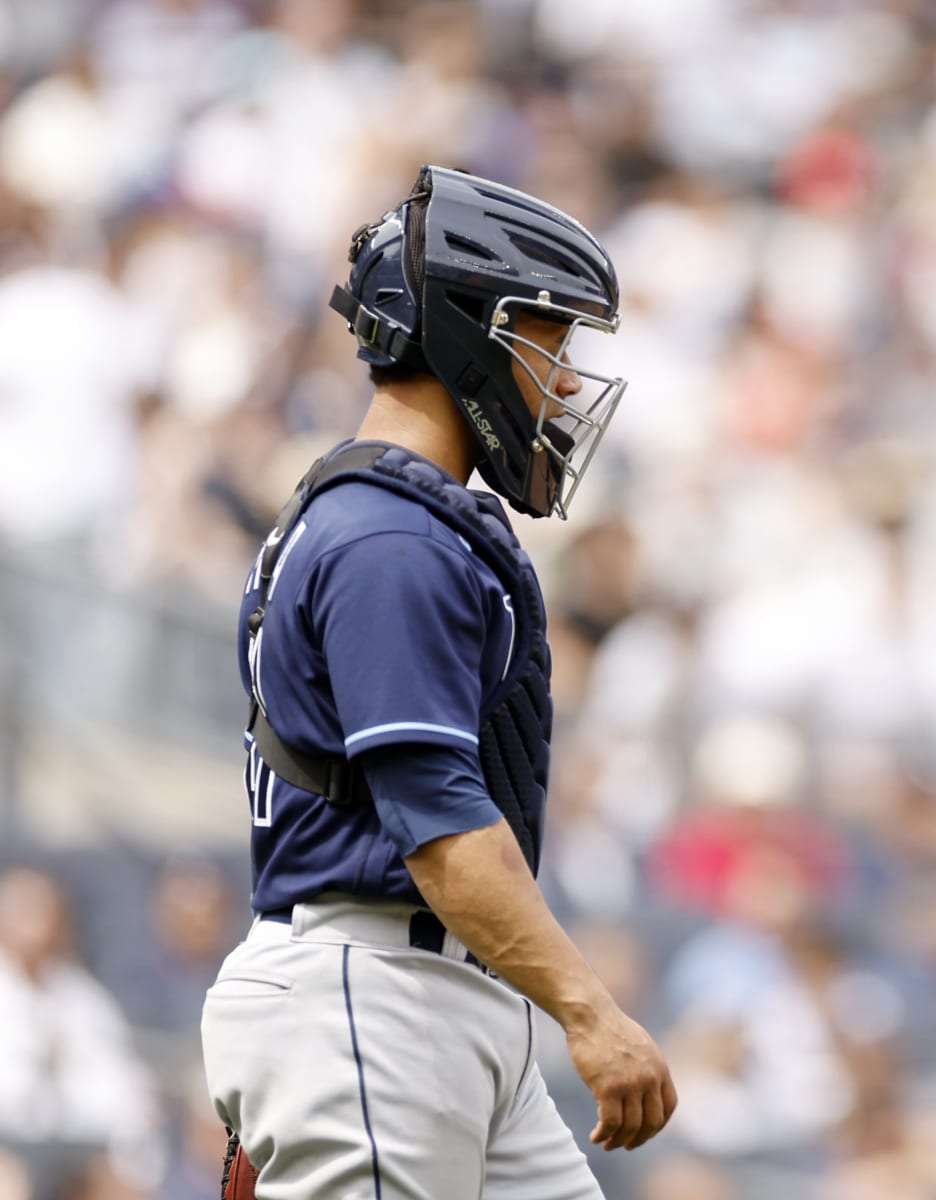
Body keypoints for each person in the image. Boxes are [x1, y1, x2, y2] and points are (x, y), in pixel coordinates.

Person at [200, 165, 677, 1200]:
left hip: (433, 995)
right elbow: (439, 825)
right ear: (472, 328)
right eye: (551, 341)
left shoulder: (396, 518)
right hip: (369, 994)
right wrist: (590, 1008)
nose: (564, 382)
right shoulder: (389, 541)